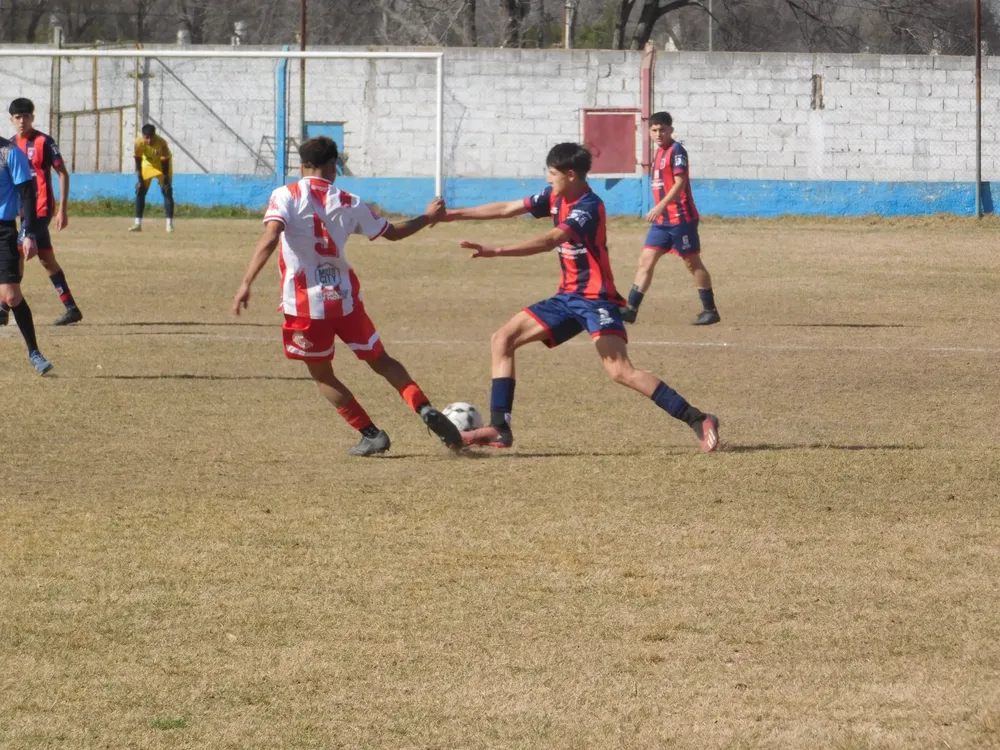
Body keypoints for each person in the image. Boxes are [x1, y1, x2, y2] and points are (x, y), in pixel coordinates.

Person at [440, 142, 719, 453]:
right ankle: (499, 428)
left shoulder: (588, 206)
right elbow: (508, 208)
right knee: (502, 339)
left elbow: (552, 240)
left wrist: (497, 251)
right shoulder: (555, 195)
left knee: (620, 371)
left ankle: (698, 418)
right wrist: (451, 214)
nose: (548, 179)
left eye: (552, 173)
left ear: (570, 175)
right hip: (567, 297)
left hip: (596, 300)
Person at [232, 136, 463, 456]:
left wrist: (247, 281)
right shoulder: (348, 200)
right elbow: (393, 233)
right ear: (334, 168)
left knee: (323, 374)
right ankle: (422, 407)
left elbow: (271, 236)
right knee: (381, 361)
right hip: (344, 299)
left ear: (302, 166)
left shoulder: (285, 195)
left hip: (304, 306)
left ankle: (370, 433)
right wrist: (427, 217)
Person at [620, 111, 720, 326]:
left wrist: (660, 206)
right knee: (645, 261)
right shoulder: (659, 153)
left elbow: (679, 183)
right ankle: (631, 309)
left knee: (692, 263)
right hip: (662, 223)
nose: (658, 134)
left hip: (680, 219)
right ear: (649, 131)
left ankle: (710, 310)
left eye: (662, 130)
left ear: (671, 130)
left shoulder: (676, 151)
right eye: (654, 130)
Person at [0, 98, 82, 327]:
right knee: (45, 259)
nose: (22, 121)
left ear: (33, 118)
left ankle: (3, 306)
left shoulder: (44, 141)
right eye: (18, 117)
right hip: (23, 211)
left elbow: (62, 173)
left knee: (16, 249)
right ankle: (71, 307)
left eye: (26, 116)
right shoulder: (10, 146)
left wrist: (62, 210)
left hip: (41, 208)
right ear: (11, 120)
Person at [0, 135, 53, 374]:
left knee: (11, 296)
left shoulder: (9, 153)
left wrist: (29, 232)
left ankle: (34, 352)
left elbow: (28, 193)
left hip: (3, 231)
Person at [129, 124, 174, 233]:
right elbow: (138, 160)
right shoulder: (138, 143)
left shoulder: (162, 143)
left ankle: (169, 225)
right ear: (143, 136)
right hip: (147, 164)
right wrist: (140, 178)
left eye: (151, 137)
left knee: (167, 191)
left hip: (162, 165)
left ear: (155, 135)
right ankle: (138, 224)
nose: (149, 140)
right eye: (146, 137)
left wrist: (166, 180)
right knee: (140, 190)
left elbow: (165, 162)